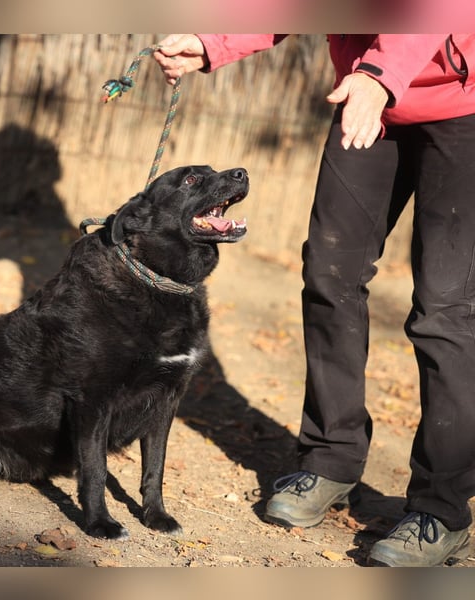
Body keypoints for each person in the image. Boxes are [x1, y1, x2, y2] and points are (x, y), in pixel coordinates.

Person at [154, 34, 475, 567]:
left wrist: (381, 76)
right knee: (331, 275)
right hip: (366, 87)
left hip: (460, 102)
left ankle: (441, 509)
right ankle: (331, 459)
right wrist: (214, 44)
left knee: (445, 308)